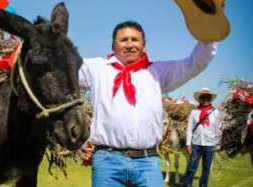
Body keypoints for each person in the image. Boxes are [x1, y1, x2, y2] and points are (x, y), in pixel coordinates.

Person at [78, 21, 218, 186]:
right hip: (108, 162)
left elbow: (193, 64)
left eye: (135, 40)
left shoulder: (157, 71)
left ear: (144, 46)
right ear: (113, 46)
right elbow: (61, 63)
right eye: (123, 40)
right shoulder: (97, 69)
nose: (130, 45)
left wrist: (209, 27)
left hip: (147, 162)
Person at [182, 87, 221, 187]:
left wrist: (218, 145)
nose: (206, 99)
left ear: (210, 99)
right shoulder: (194, 112)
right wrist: (188, 144)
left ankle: (203, 185)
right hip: (195, 144)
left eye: (208, 97)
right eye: (203, 97)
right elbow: (189, 129)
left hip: (210, 145)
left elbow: (218, 129)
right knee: (191, 167)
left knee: (206, 169)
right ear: (199, 99)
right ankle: (186, 185)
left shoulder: (215, 113)